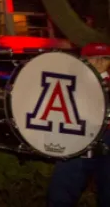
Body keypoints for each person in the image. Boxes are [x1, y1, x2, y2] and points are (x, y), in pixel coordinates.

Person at [46, 42, 110, 207]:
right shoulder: (69, 83)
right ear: (83, 61)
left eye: (104, 58)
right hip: (75, 137)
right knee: (62, 192)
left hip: (107, 137)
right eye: (93, 59)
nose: (99, 63)